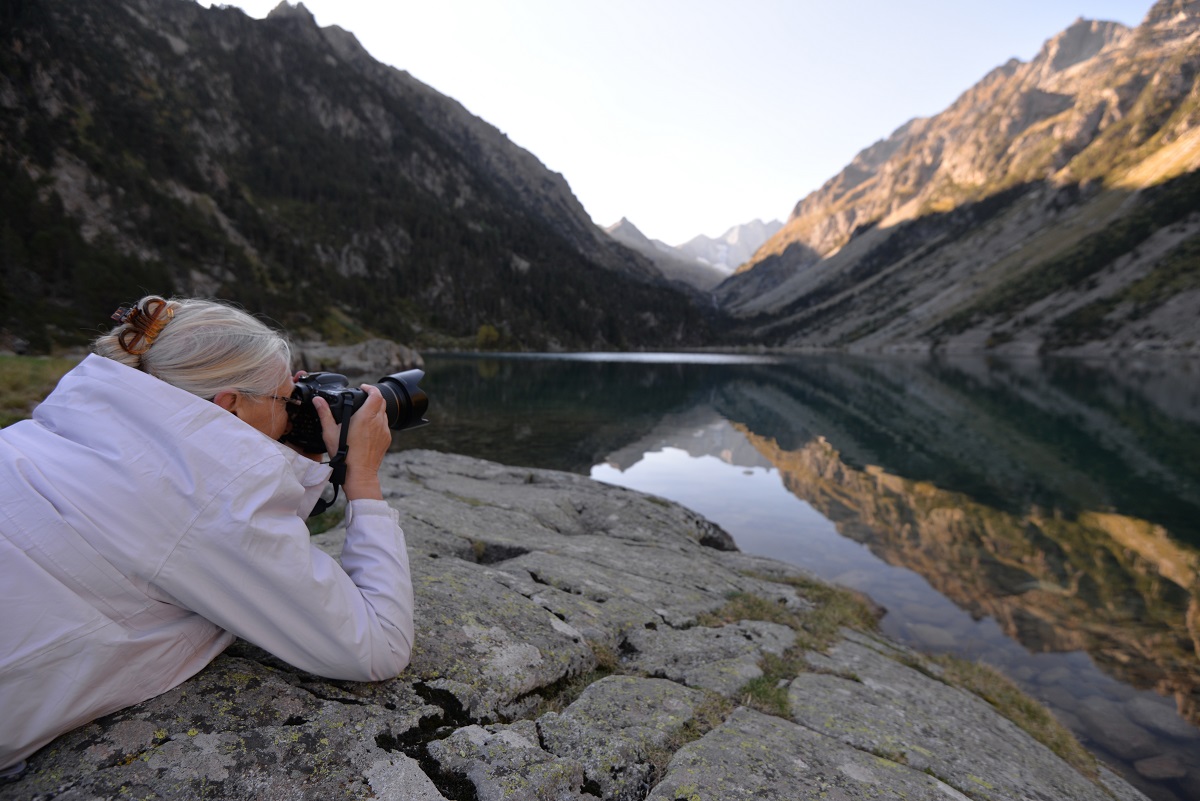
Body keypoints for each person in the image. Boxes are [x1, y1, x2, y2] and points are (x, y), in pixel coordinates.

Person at [0, 295, 414, 779]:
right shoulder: (210, 502)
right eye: (286, 400)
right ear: (230, 405)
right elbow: (379, 646)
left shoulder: (50, 429)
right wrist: (361, 477)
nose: (293, 412)